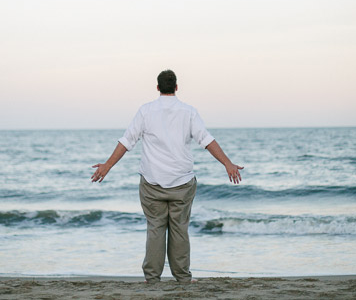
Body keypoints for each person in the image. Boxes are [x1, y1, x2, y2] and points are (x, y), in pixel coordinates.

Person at [91, 69, 243, 283]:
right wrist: (227, 163)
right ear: (177, 87)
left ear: (157, 88)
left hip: (152, 184)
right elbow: (206, 140)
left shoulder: (145, 111)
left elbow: (127, 141)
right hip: (182, 183)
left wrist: (107, 165)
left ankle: (152, 279)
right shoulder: (188, 111)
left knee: (155, 229)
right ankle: (182, 278)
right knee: (179, 229)